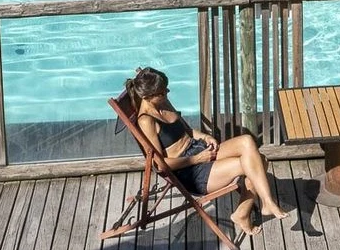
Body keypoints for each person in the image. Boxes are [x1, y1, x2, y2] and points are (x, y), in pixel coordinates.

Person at [124, 67, 292, 237]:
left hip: (199, 149)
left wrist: (204, 136)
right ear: (147, 97)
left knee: (248, 142)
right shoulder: (146, 121)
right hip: (190, 171)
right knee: (258, 162)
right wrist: (197, 159)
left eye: (165, 88)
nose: (167, 92)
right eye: (162, 91)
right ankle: (262, 204)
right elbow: (160, 164)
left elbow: (186, 131)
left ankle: (252, 208)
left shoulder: (162, 102)